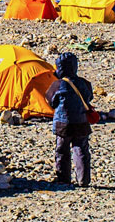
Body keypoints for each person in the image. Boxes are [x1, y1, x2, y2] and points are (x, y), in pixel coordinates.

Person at [45, 52, 93, 186]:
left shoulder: (58, 84)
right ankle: (83, 180)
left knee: (62, 151)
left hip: (63, 123)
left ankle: (63, 178)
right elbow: (89, 97)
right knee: (81, 150)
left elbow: (50, 101)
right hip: (81, 122)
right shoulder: (83, 83)